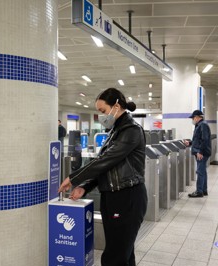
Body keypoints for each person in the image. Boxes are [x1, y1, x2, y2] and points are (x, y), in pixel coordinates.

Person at [58, 88, 148, 266]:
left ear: (116, 106)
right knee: (124, 253)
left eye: (102, 111)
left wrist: (73, 177)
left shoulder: (131, 131)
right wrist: (85, 187)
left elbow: (106, 160)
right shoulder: (115, 132)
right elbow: (106, 168)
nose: (101, 116)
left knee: (115, 256)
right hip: (112, 197)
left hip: (127, 197)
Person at [184, 110, 211, 198]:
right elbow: (198, 139)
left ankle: (199, 191)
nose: (192, 119)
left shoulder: (203, 125)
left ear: (197, 117)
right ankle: (204, 190)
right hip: (201, 151)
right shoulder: (199, 125)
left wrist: (200, 151)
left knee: (200, 172)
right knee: (203, 171)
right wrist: (190, 143)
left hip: (201, 152)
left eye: (193, 118)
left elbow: (205, 139)